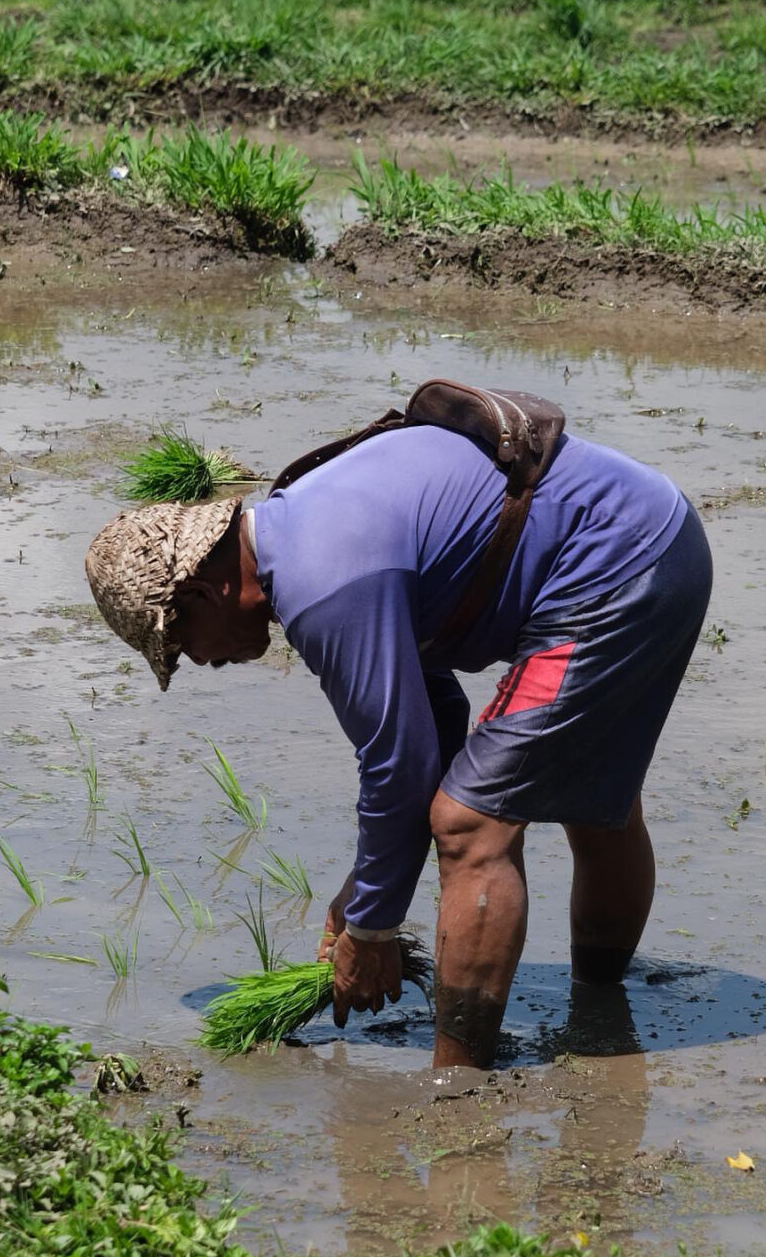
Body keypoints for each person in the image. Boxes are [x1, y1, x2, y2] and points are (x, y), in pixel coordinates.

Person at [85, 411, 712, 1069]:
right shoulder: (304, 523)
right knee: (588, 797)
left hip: (616, 567)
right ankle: (601, 1013)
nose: (200, 662)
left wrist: (372, 928)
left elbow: (397, 763)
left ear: (203, 590)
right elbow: (433, 721)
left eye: (181, 644)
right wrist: (363, 894)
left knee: (470, 822)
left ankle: (458, 1089)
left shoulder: (320, 582)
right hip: (654, 534)